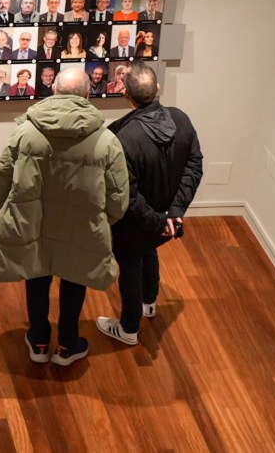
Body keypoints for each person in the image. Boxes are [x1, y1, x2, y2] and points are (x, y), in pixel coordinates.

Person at [0, 68, 129, 366]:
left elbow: (0, 178)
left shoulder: (26, 131)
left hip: (34, 219)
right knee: (75, 277)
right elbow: (118, 198)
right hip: (80, 226)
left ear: (53, 92)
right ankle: (68, 344)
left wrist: (15, 209)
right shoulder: (106, 140)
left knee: (36, 273)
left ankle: (37, 339)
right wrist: (101, 221)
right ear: (88, 96)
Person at [97, 63, 202, 347]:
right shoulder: (181, 119)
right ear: (157, 89)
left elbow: (127, 196)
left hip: (139, 223)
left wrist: (160, 220)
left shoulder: (122, 137)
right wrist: (173, 214)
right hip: (164, 221)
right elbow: (194, 167)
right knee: (149, 249)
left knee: (131, 264)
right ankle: (149, 301)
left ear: (126, 96)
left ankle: (129, 327)